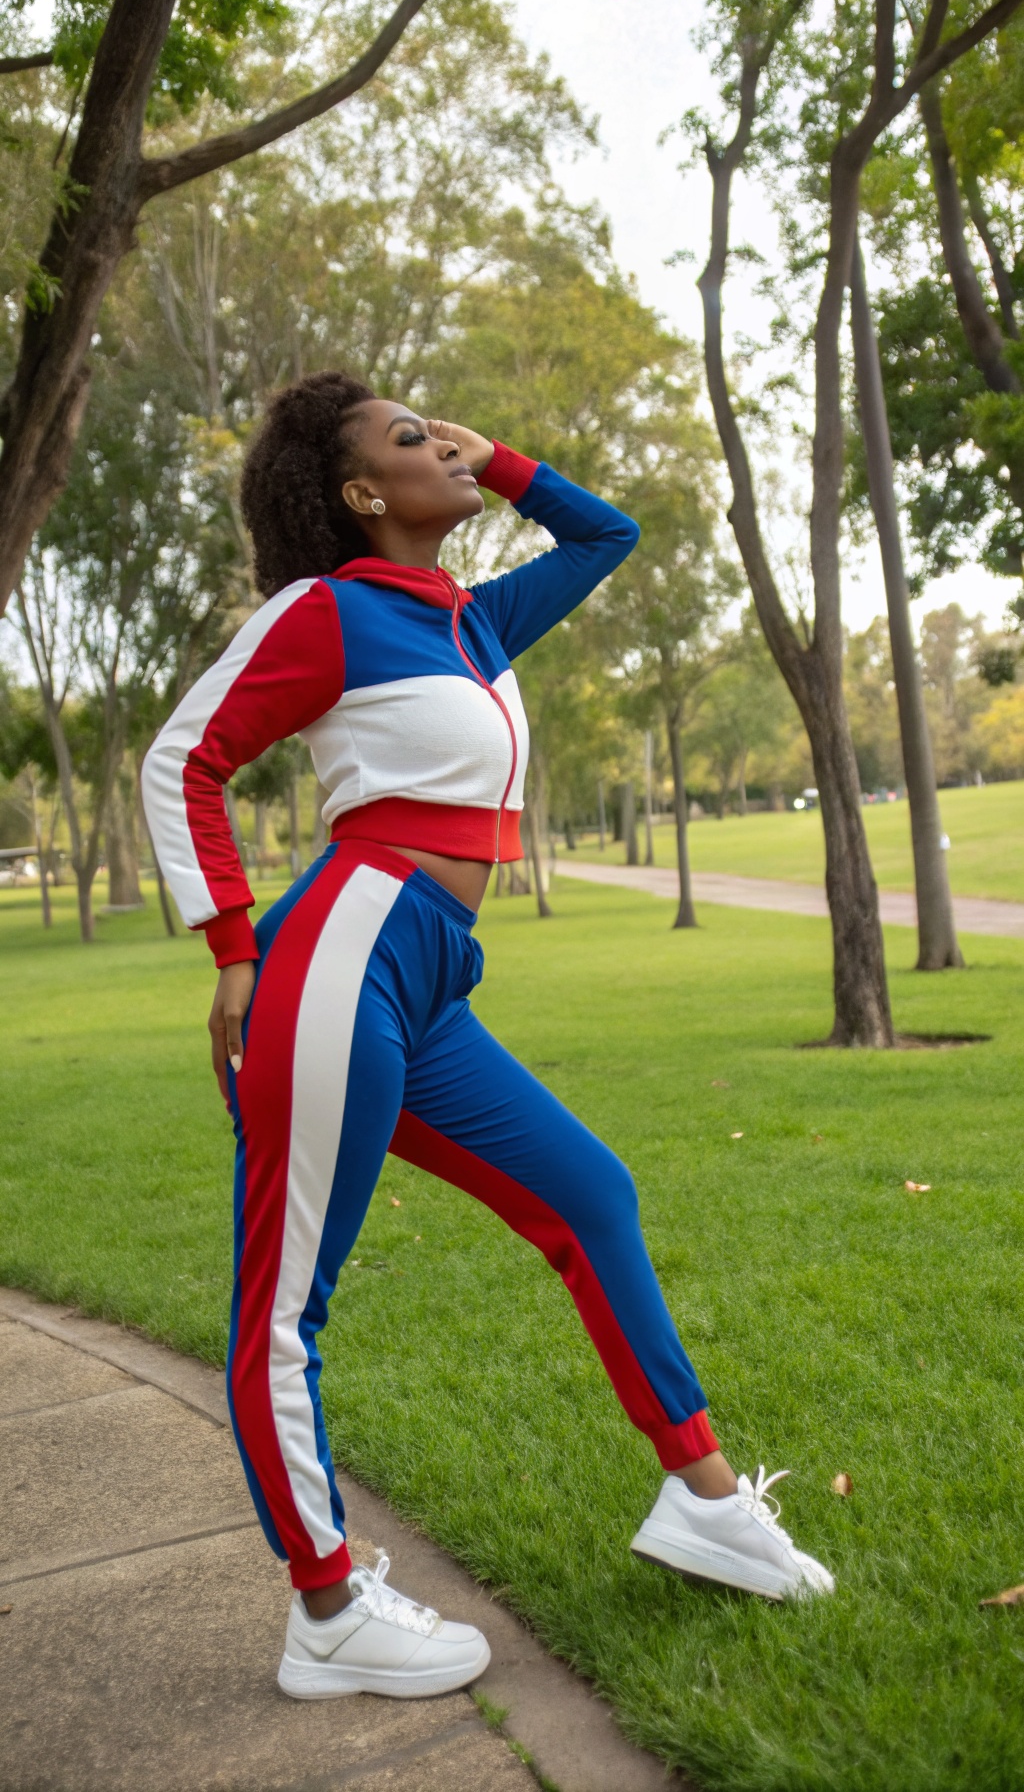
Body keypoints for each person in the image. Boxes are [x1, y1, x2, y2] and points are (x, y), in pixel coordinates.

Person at [142, 372, 833, 1703]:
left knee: (590, 1194)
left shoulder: (467, 622)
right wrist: (230, 947)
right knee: (286, 1309)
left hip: (428, 976)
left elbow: (606, 537)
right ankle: (328, 1607)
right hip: (343, 957)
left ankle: (700, 1502)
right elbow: (184, 758)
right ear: (360, 495)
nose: (439, 445)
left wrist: (501, 459)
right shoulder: (329, 612)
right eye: (411, 440)